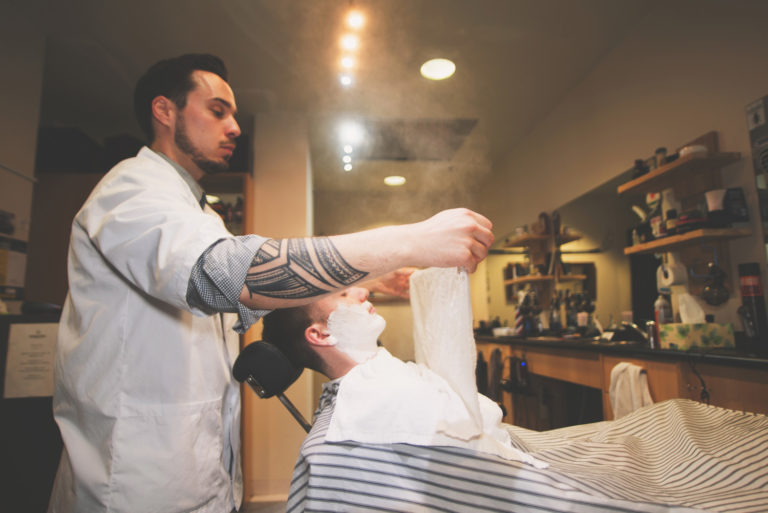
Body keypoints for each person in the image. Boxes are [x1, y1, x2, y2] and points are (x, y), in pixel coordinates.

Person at [46, 53, 493, 513]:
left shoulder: (203, 214)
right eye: (218, 110)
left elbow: (262, 296)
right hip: (134, 480)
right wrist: (411, 241)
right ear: (165, 111)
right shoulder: (131, 190)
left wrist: (376, 278)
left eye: (234, 114)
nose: (235, 127)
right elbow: (233, 275)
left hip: (200, 470)